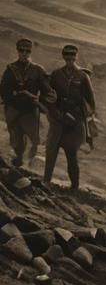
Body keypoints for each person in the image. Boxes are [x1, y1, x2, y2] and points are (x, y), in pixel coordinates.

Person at [43, 44, 95, 191]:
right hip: (58, 120)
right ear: (63, 56)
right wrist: (56, 114)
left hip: (74, 123)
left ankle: (74, 187)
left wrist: (81, 117)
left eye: (72, 55)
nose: (70, 58)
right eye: (67, 55)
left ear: (76, 56)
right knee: (51, 151)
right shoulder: (56, 74)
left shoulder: (83, 76)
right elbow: (48, 98)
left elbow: (91, 102)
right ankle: (46, 181)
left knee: (72, 156)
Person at [1, 38, 51, 167]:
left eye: (27, 51)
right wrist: (13, 97)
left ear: (30, 52)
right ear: (18, 51)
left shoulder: (38, 70)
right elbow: (3, 90)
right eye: (21, 50)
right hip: (14, 110)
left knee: (35, 141)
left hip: (30, 111)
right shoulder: (11, 69)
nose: (24, 53)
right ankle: (18, 164)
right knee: (16, 142)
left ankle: (32, 167)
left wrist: (39, 101)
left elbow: (47, 91)